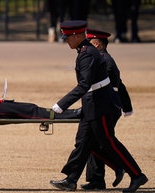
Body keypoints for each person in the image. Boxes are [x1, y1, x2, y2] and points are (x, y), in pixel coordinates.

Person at [49, 20, 147, 192]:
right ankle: (71, 179)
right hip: (92, 103)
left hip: (100, 105)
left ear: (78, 36)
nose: (66, 41)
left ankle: (137, 175)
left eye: (68, 37)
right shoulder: (84, 51)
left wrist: (61, 105)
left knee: (108, 143)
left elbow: (84, 85)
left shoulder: (87, 54)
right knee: (83, 142)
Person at [81, 28, 134, 190]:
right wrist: (127, 107)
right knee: (95, 142)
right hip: (102, 106)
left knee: (102, 142)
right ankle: (96, 179)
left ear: (97, 45)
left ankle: (121, 168)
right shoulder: (102, 59)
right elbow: (121, 84)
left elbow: (115, 86)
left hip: (105, 107)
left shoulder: (104, 61)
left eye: (89, 43)